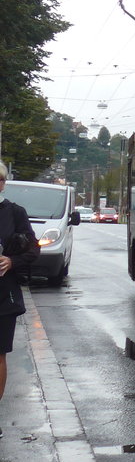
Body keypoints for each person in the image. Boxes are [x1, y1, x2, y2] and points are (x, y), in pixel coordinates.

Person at [0, 162, 38, 438]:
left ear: (3, 182)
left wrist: (11, 262)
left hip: (3, 294)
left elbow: (33, 250)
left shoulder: (15, 213)